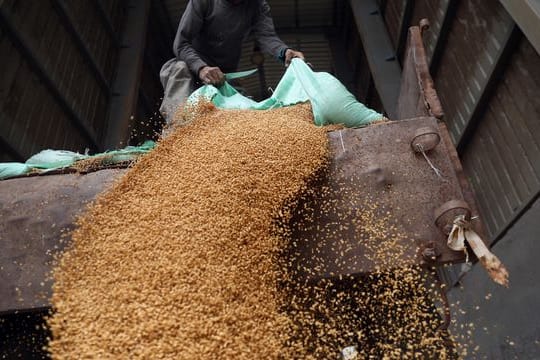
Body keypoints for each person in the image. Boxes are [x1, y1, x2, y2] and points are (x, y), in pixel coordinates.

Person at [159, 0, 305, 123]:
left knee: (248, 113)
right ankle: (176, 131)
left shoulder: (257, 5)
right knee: (179, 68)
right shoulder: (203, 2)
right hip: (193, 67)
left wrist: (284, 51)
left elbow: (267, 36)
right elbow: (181, 43)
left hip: (223, 76)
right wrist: (202, 68)